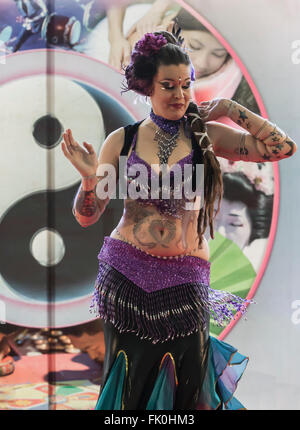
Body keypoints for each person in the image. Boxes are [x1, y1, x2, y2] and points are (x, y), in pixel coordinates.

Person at [61, 28, 297, 410]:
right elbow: (89, 215)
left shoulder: (208, 136)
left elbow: (282, 148)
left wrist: (228, 108)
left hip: (186, 281)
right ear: (147, 86)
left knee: (188, 386)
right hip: (126, 280)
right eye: (168, 85)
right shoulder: (122, 140)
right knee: (129, 384)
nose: (180, 95)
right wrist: (90, 179)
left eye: (186, 85)